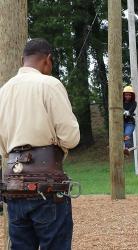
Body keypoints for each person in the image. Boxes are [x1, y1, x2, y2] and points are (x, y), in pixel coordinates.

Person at [0, 38, 80, 249]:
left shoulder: (3, 91)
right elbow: (71, 138)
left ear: (22, 60)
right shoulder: (50, 84)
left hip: (14, 185)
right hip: (47, 184)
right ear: (48, 60)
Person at [123, 85, 137, 155]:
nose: (128, 96)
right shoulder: (120, 102)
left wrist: (126, 112)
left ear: (132, 96)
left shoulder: (134, 103)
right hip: (121, 122)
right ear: (123, 95)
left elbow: (130, 111)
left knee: (127, 134)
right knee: (118, 135)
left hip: (130, 123)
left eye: (129, 95)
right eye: (126, 95)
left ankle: (126, 148)